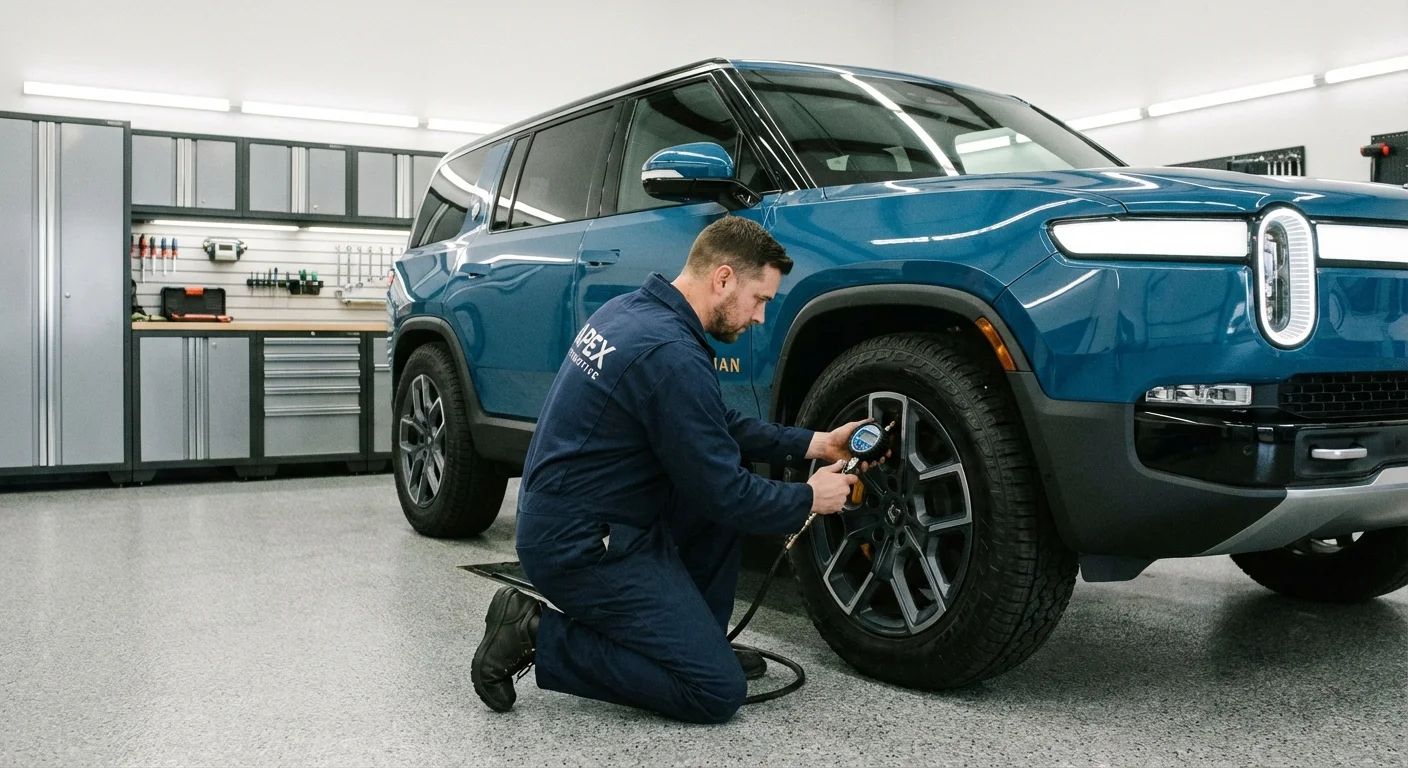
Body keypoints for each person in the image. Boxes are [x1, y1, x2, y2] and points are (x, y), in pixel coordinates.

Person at [470, 216, 867, 724]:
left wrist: (817, 443)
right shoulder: (670, 351)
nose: (761, 317)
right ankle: (535, 632)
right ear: (722, 279)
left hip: (583, 516)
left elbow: (710, 423)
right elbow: (726, 493)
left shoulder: (632, 313)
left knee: (721, 492)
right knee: (714, 690)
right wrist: (811, 498)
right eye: (760, 299)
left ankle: (695, 642)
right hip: (583, 546)